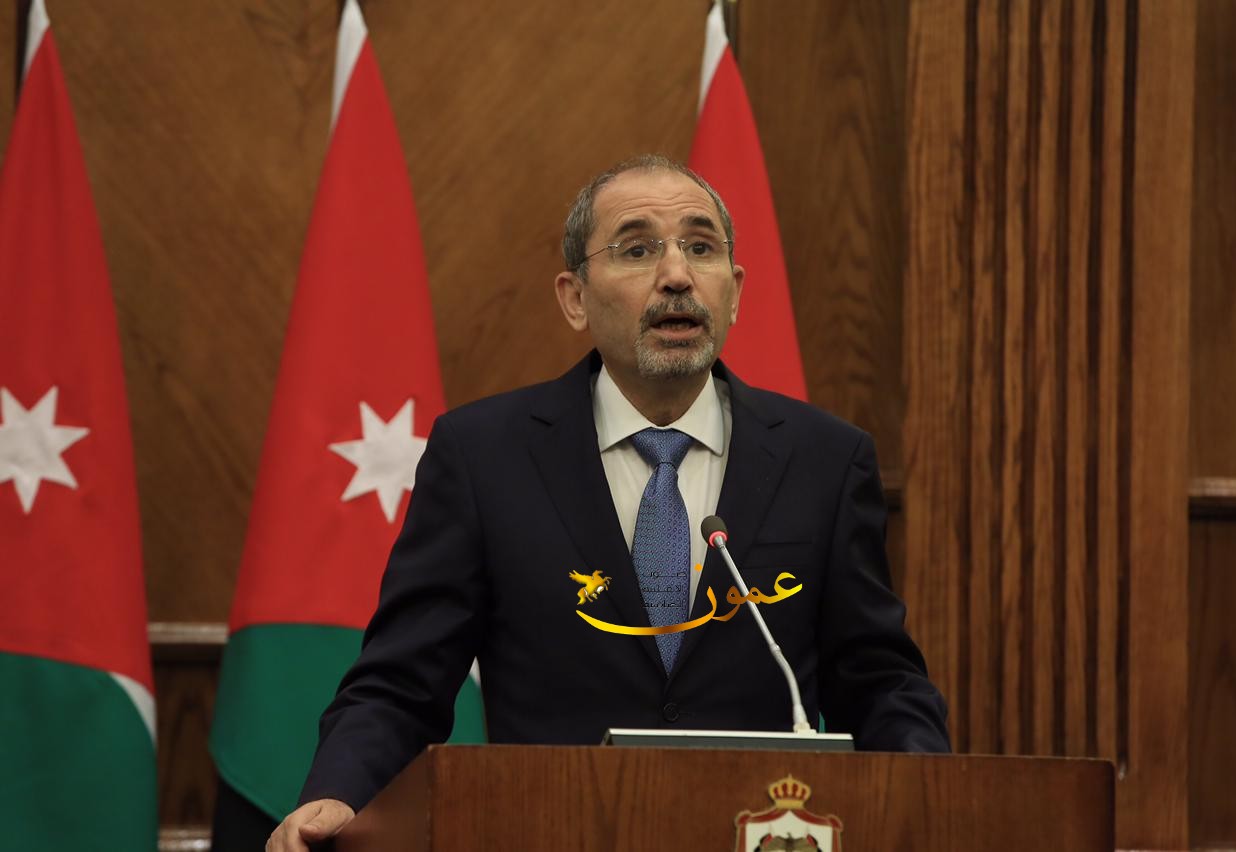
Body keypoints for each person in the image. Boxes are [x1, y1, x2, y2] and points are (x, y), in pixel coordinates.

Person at [266, 155, 950, 851]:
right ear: (575, 298)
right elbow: (403, 682)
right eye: (637, 249)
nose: (677, 275)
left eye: (701, 247)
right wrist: (336, 794)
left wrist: (935, 797)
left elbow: (877, 679)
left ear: (735, 292)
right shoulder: (483, 456)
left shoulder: (825, 459)